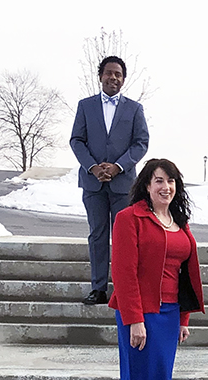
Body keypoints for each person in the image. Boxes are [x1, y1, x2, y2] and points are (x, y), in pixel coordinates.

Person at [108, 158, 204, 380]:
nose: (166, 187)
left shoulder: (180, 222)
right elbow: (123, 272)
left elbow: (186, 275)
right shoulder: (129, 218)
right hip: (139, 311)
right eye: (159, 181)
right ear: (147, 186)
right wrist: (134, 318)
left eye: (171, 181)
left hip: (169, 312)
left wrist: (183, 319)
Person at [71, 55, 149, 305]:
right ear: (100, 75)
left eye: (118, 74)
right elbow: (77, 140)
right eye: (109, 73)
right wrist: (93, 167)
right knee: (97, 234)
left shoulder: (134, 109)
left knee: (124, 238)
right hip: (93, 183)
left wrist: (118, 166)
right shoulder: (85, 106)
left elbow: (141, 143)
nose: (113, 77)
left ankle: (123, 289)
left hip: (123, 184)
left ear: (123, 79)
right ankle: (98, 288)